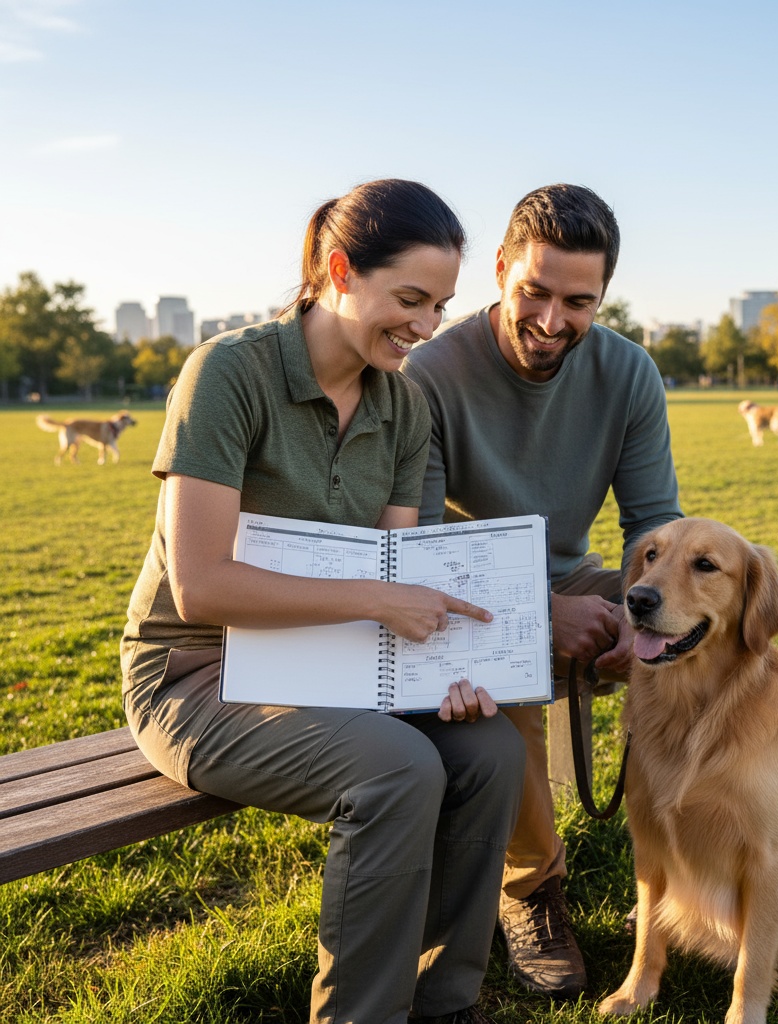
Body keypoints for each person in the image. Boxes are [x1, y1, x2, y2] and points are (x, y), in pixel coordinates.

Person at [120, 179, 525, 1024]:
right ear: (340, 270)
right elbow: (201, 584)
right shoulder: (228, 373)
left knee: (489, 751)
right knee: (397, 770)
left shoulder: (406, 405)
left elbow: (396, 569)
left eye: (442, 305)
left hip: (334, 665)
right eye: (409, 298)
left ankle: (444, 1004)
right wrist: (381, 601)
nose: (425, 326)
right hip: (198, 675)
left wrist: (441, 676)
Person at [402, 183, 682, 998]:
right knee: (514, 660)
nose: (552, 320)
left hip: (575, 577)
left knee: (703, 639)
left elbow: (653, 523)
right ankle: (530, 891)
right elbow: (416, 545)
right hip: (459, 592)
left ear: (602, 297)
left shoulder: (628, 372)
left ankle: (678, 871)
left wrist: (647, 610)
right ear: (499, 271)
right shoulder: (429, 376)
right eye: (534, 291)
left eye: (578, 301)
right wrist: (535, 612)